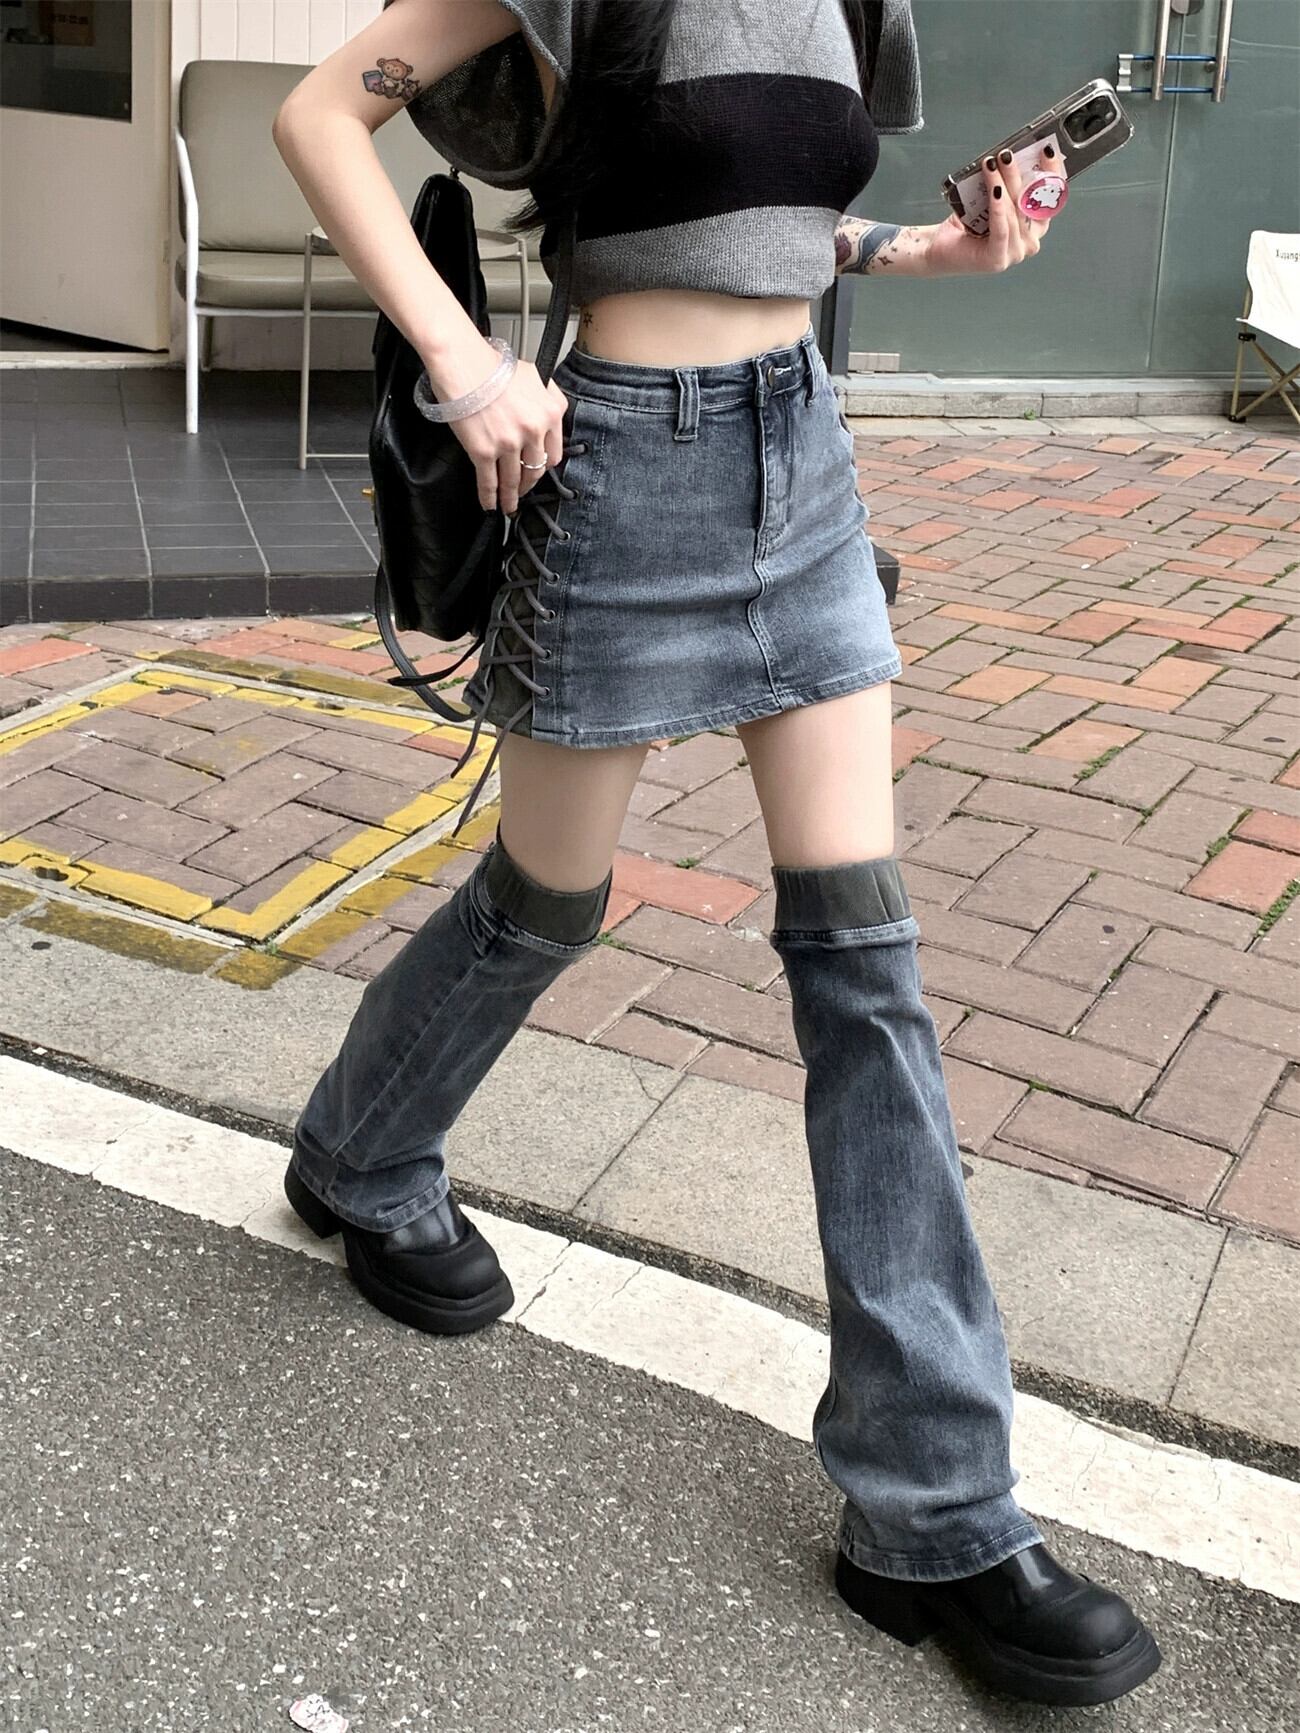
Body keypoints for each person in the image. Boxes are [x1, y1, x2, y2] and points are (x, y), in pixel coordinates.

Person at [272, 0, 1161, 1707]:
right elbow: (318, 116)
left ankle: (936, 1513)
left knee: (866, 965)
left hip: (804, 465)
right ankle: (360, 1154)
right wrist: (463, 360)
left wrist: (933, 250)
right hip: (618, 471)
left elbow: (772, 221)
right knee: (546, 906)